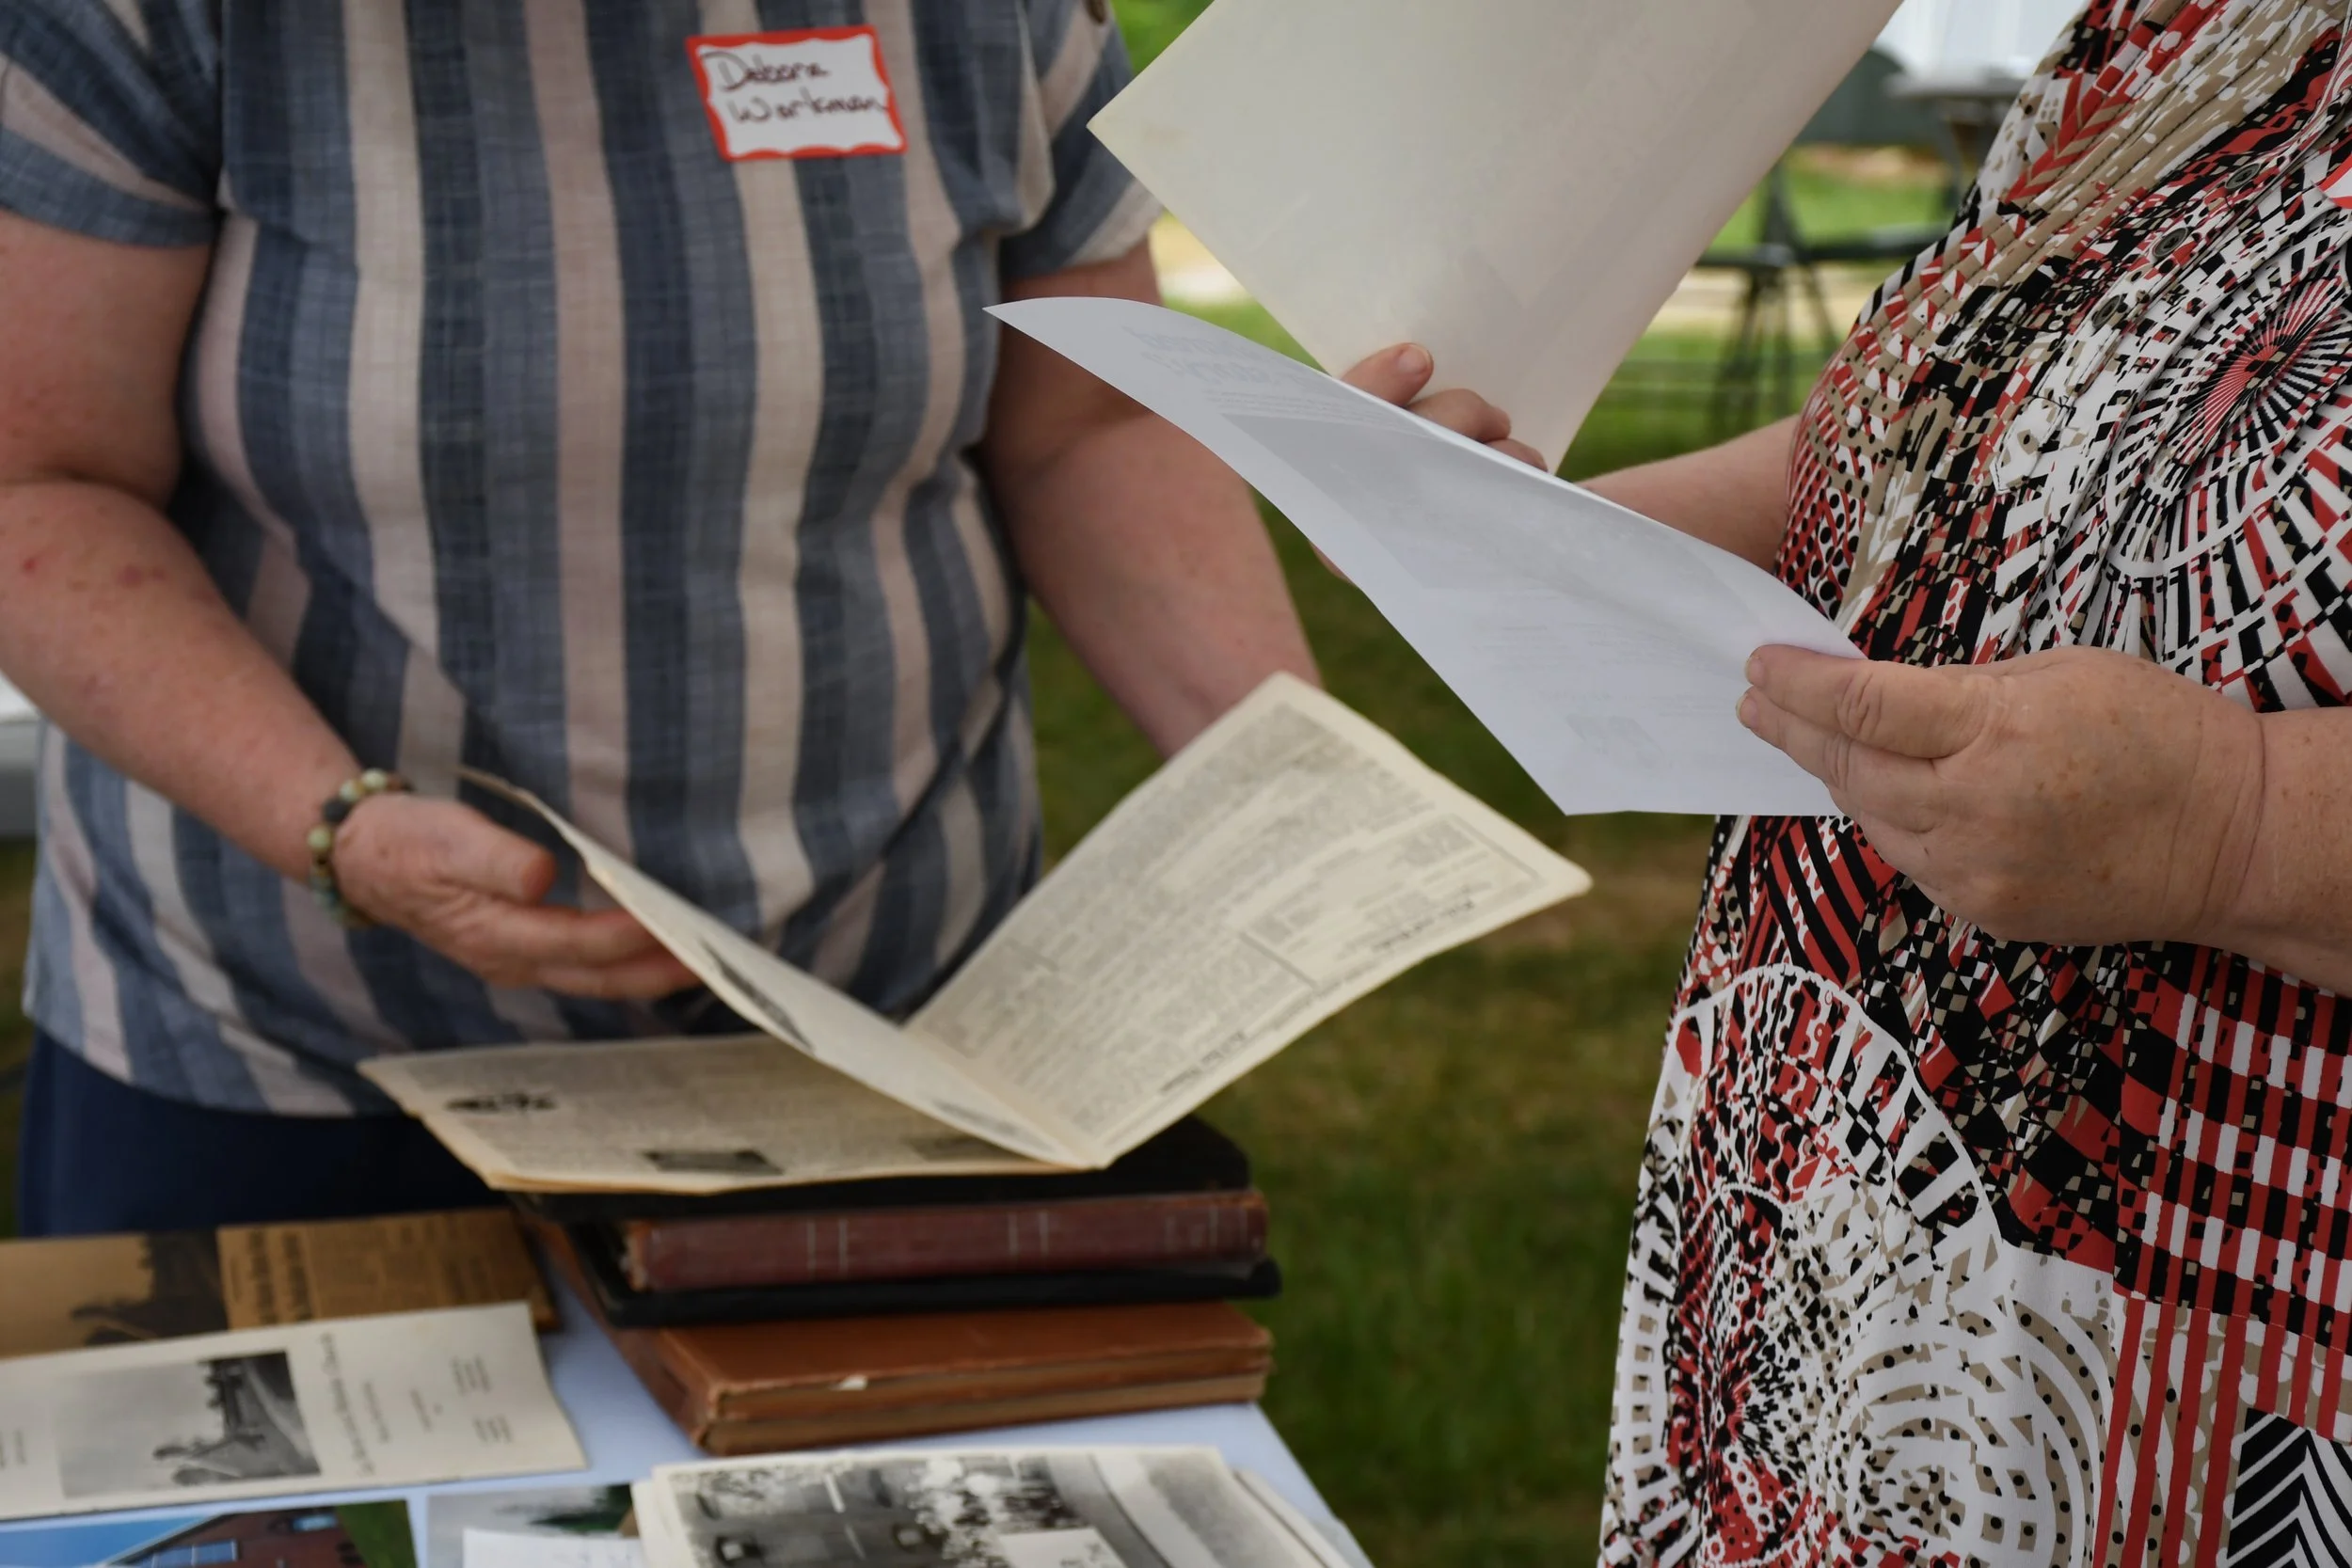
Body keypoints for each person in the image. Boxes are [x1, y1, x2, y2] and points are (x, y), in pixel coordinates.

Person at [0, 3, 1521, 1237]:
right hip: (291, 1051)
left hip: (911, 1032)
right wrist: (333, 824)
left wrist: (1292, 773)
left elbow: (1084, 428)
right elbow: (40, 483)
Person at [1519, 2, 2352, 1561]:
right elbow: (1958, 436)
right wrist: (1542, 537)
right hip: (1848, 1325)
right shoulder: (2206, 20)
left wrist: (2228, 818)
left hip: (2231, 1394)